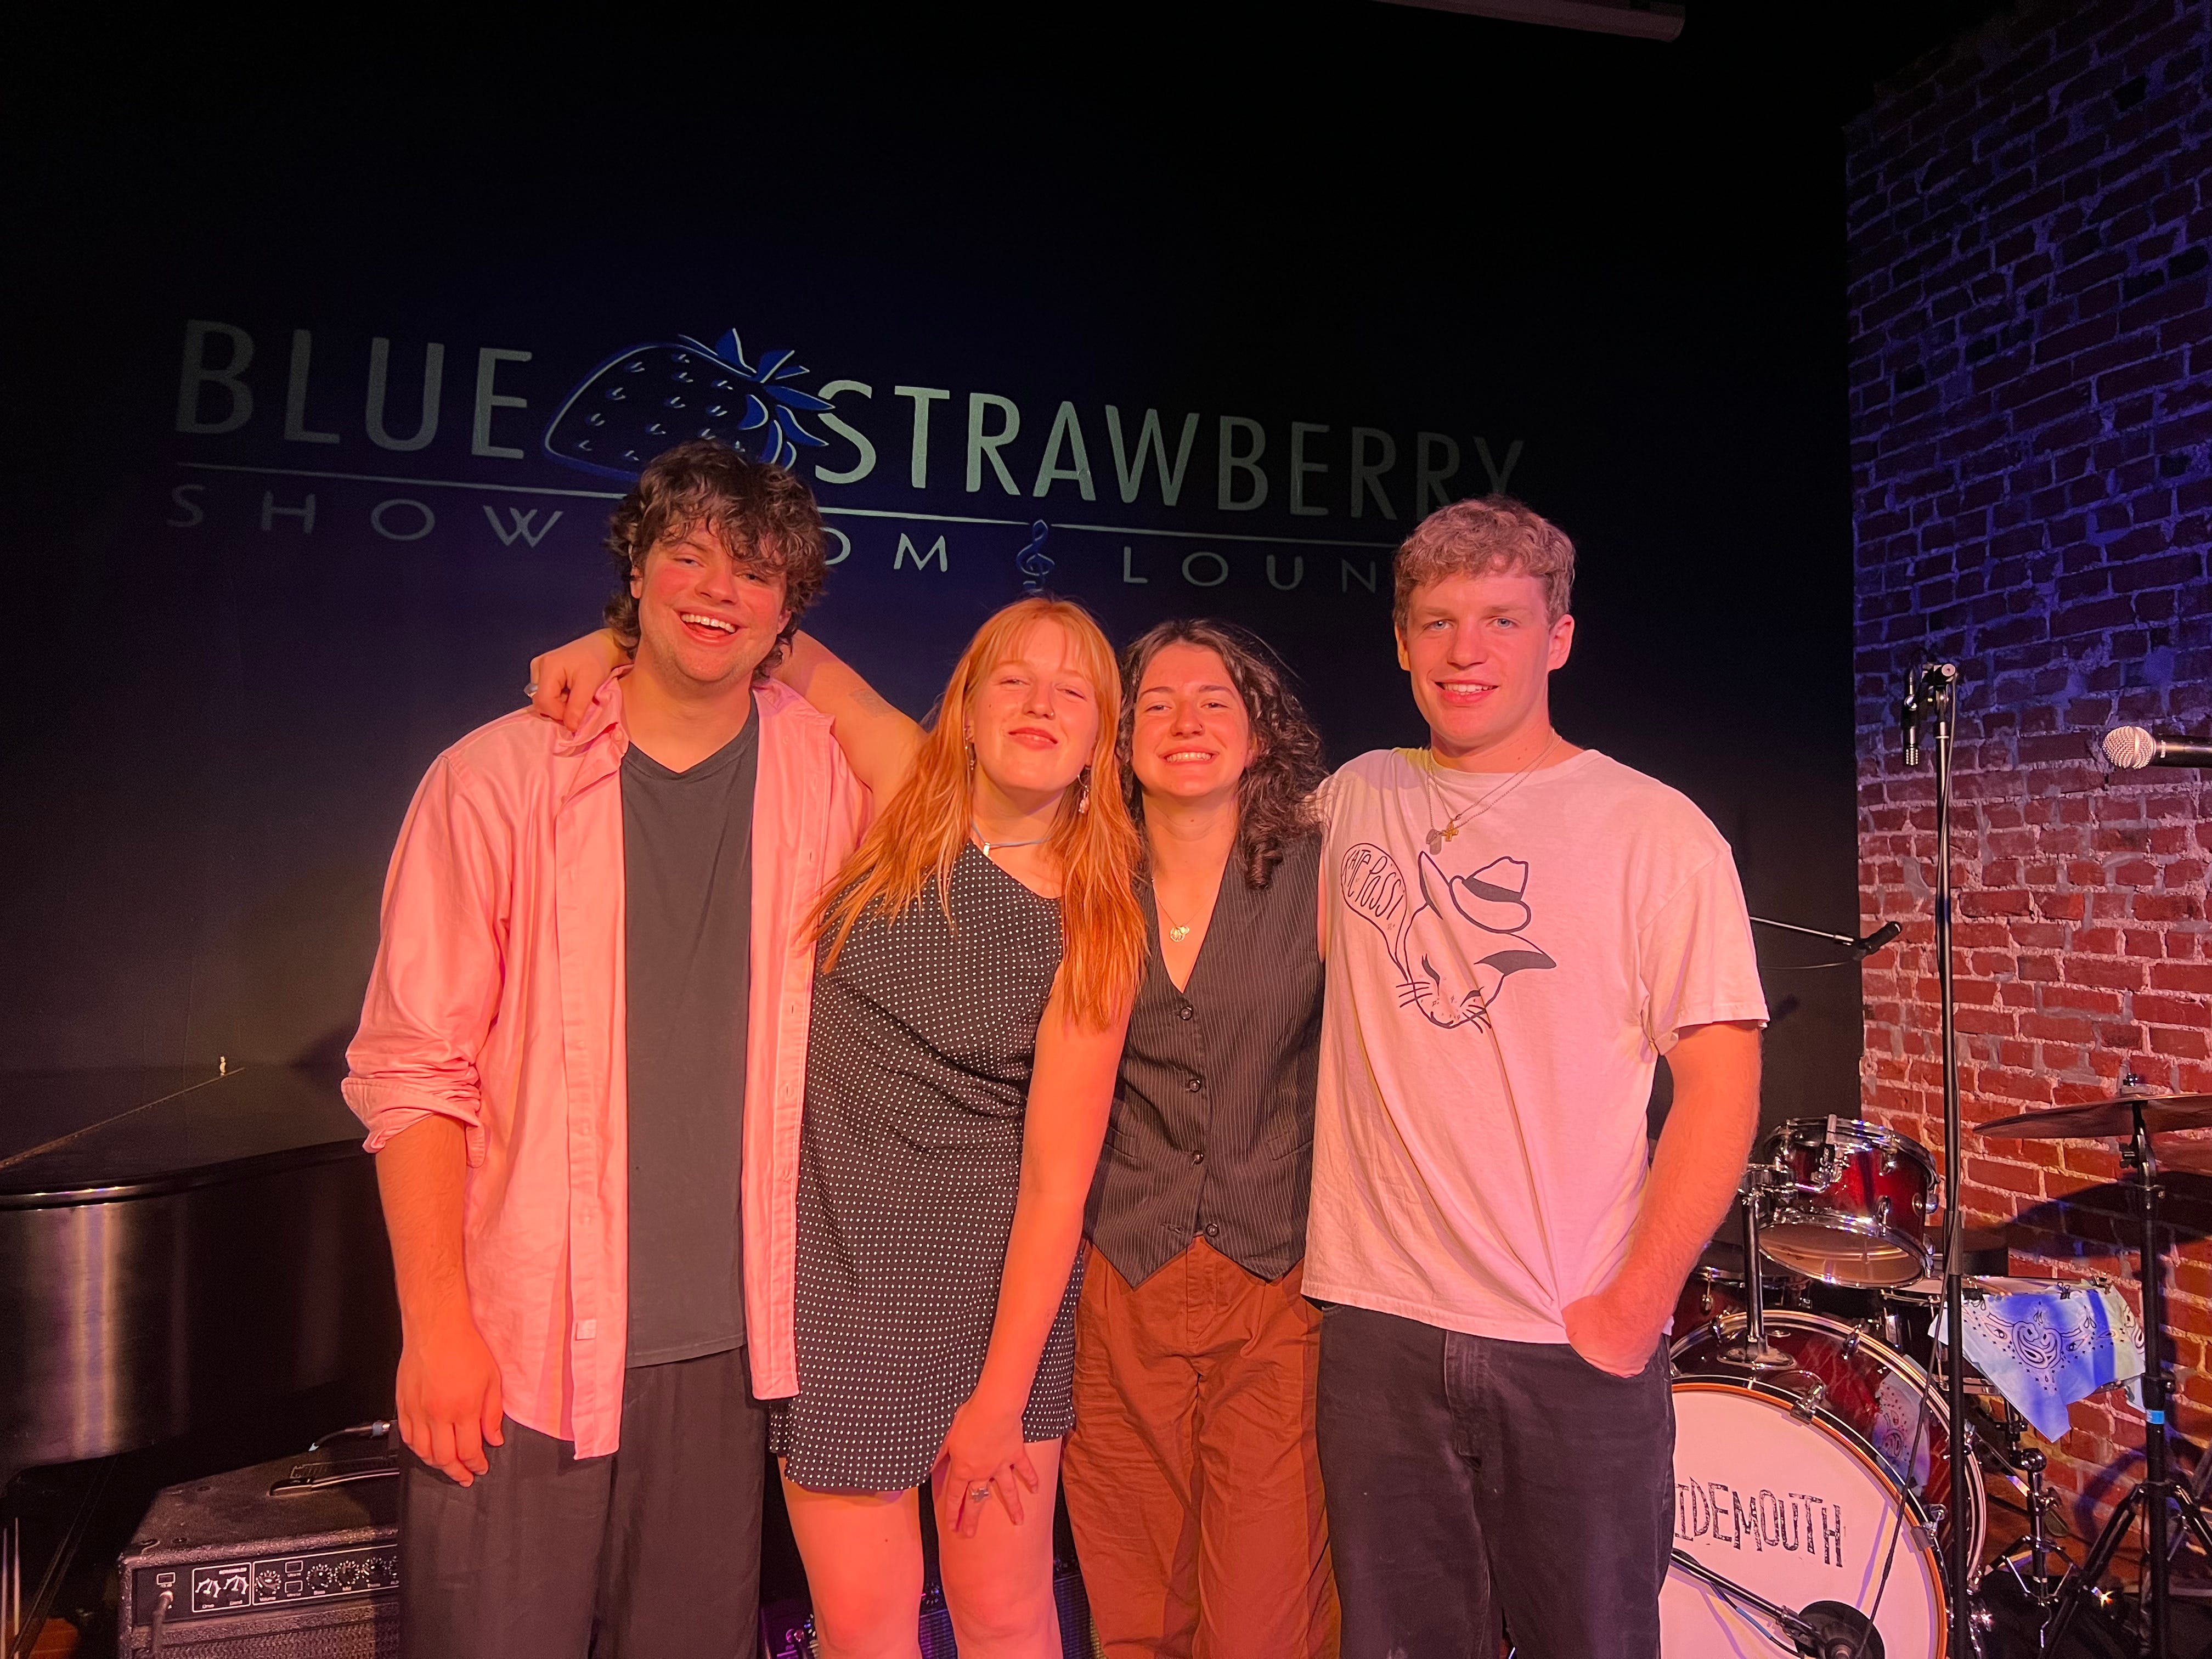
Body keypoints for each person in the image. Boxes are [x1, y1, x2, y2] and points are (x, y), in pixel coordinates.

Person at [529, 615, 1342, 1658]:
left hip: (993, 1310)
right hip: (834, 1295)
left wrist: (1000, 1399)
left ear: (1101, 741)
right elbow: (784, 643)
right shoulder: (908, 789)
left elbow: (1056, 1183)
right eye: (1014, 680)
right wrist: (614, 644)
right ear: (965, 707)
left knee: (1004, 1622)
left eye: (1072, 692)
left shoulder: (1097, 915)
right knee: (862, 1631)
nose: (1039, 705)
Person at [343, 439, 866, 1658]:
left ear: (790, 609)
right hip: (518, 1348)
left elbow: (965, 804)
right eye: (688, 557)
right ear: (634, 569)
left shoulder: (825, 770)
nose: (719, 591)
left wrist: (748, 650)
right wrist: (436, 1326)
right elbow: (414, 1073)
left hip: (727, 1354)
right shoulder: (493, 777)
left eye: (755, 572)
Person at [1305, 496, 1768, 1658]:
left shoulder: (1655, 830)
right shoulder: (1354, 798)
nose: (1466, 651)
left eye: (1502, 621)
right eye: (1439, 621)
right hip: (1378, 1333)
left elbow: (1721, 1085)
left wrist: (1634, 1310)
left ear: (1559, 637)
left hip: (1571, 1340)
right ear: (1402, 641)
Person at [1065, 619, 1338, 1659]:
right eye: (1159, 705)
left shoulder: (1322, 873)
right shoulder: (1082, 876)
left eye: (1215, 701)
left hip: (1277, 1290)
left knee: (1265, 1618)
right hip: (1121, 1286)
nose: (1186, 723)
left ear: (1258, 733)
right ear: (1121, 737)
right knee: (1137, 1607)